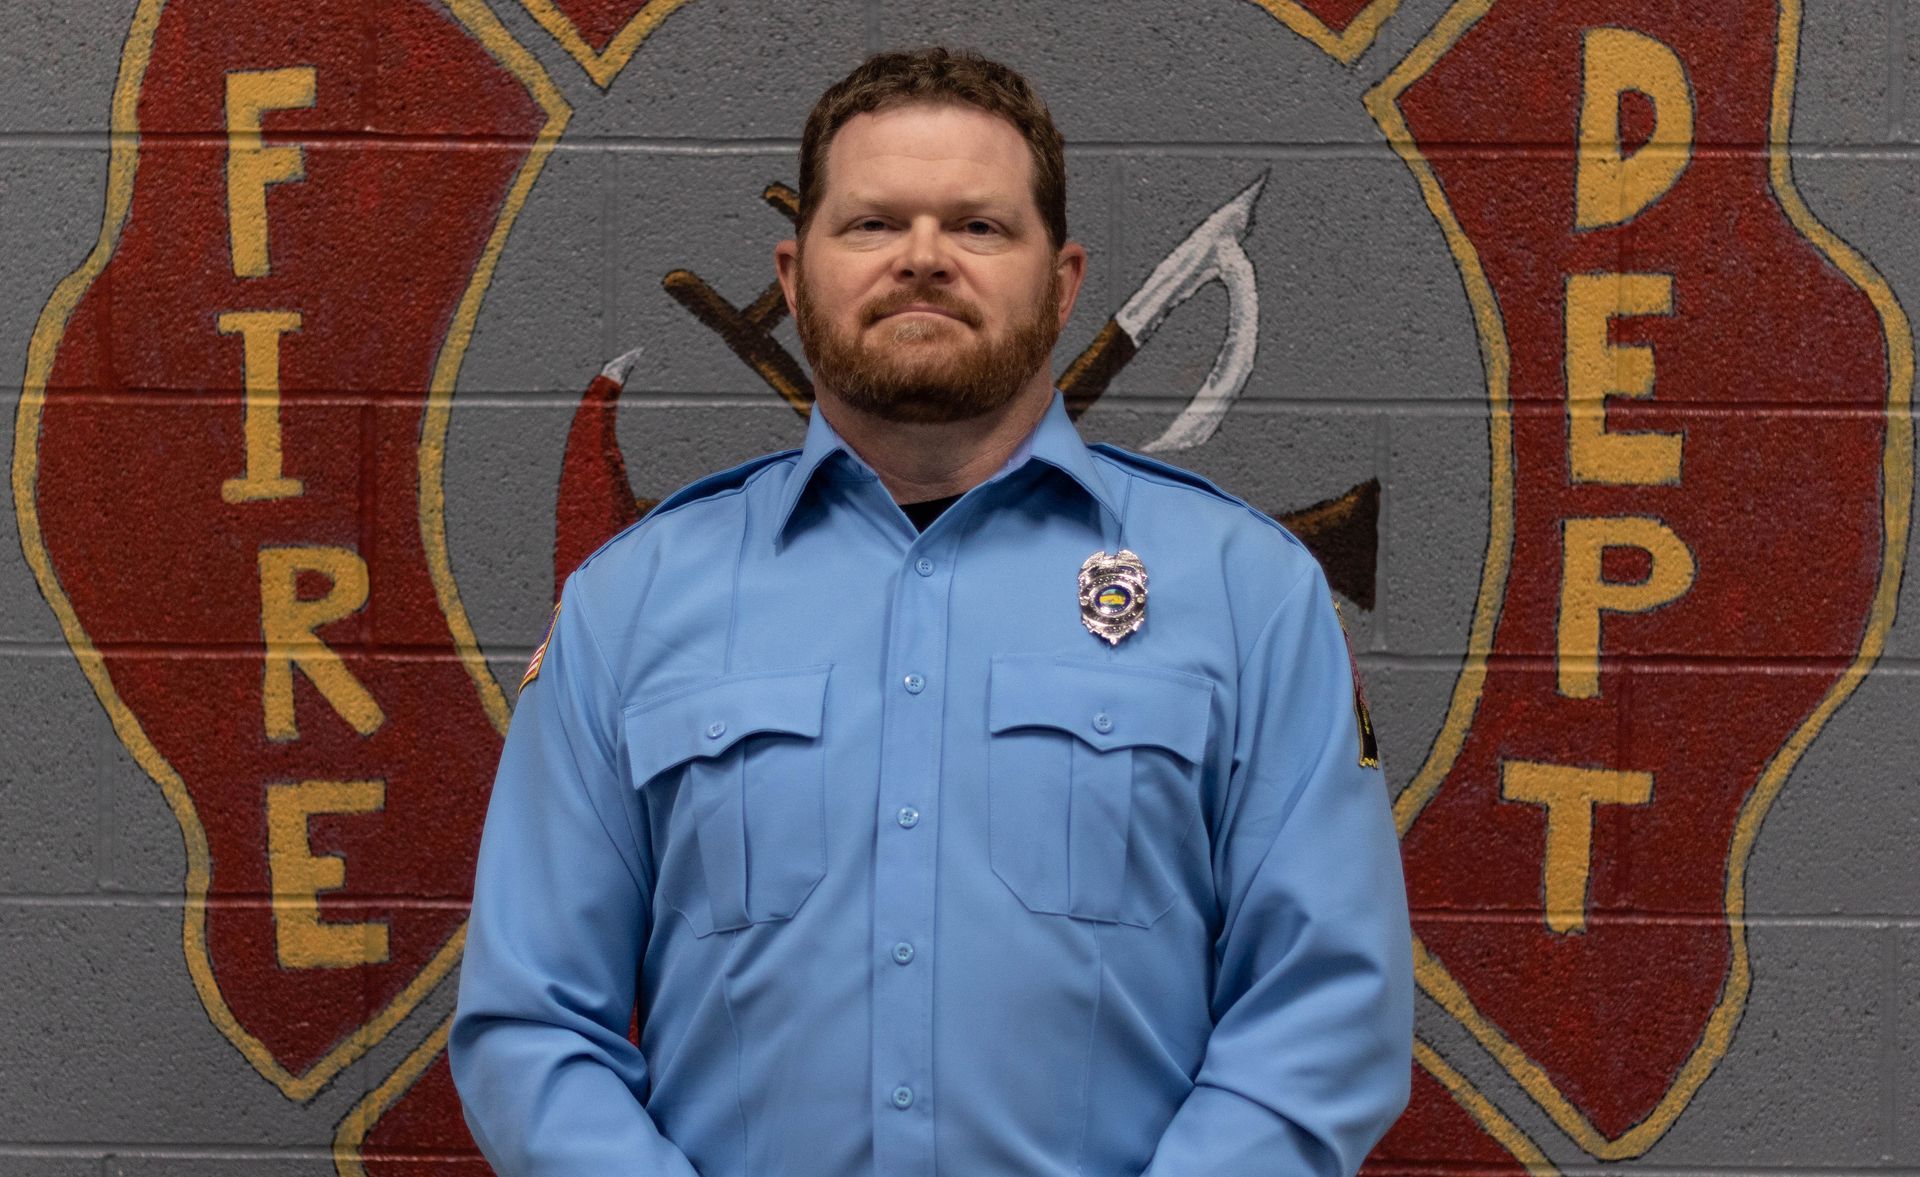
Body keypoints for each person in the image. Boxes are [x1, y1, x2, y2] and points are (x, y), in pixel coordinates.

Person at [450, 46, 1412, 1176]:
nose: (922, 257)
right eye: (871, 224)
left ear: (1063, 282)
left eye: (979, 226)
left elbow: (1326, 1011)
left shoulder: (1251, 594)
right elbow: (533, 1026)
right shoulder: (629, 604)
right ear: (793, 274)